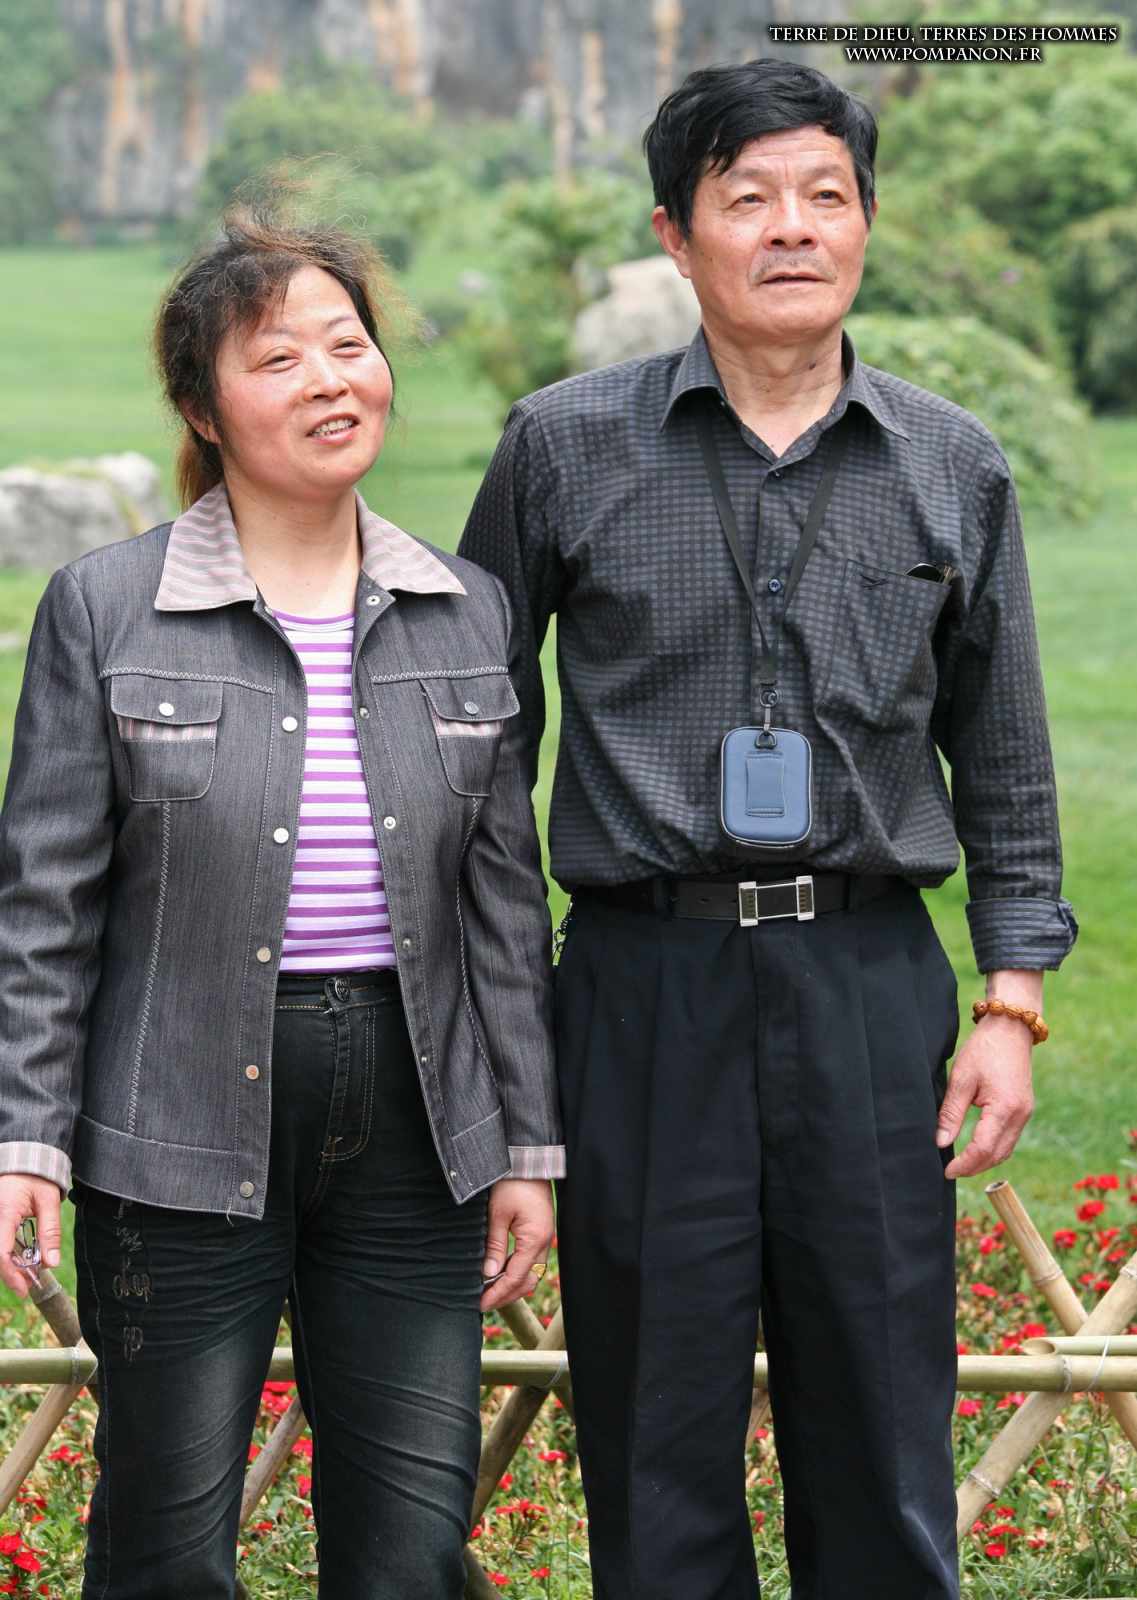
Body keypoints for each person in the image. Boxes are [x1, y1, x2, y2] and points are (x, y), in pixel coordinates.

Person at [459, 58, 1076, 1600]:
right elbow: (475, 752)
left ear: (865, 221)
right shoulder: (560, 447)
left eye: (825, 195)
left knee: (880, 1433)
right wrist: (505, 1015)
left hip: (866, 989)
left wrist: (1009, 1001)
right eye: (748, 199)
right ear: (675, 234)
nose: (791, 228)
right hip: (638, 990)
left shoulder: (949, 462)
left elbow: (1003, 754)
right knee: (654, 1438)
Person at [0, 210, 562, 1600]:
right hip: (173, 1118)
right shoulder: (106, 609)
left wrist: (526, 1145)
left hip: (418, 1126)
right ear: (203, 408)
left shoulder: (467, 610)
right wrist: (26, 1136)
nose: (329, 379)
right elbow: (43, 906)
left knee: (410, 1552)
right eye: (278, 358)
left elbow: (503, 906)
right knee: (167, 1549)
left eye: (348, 344)